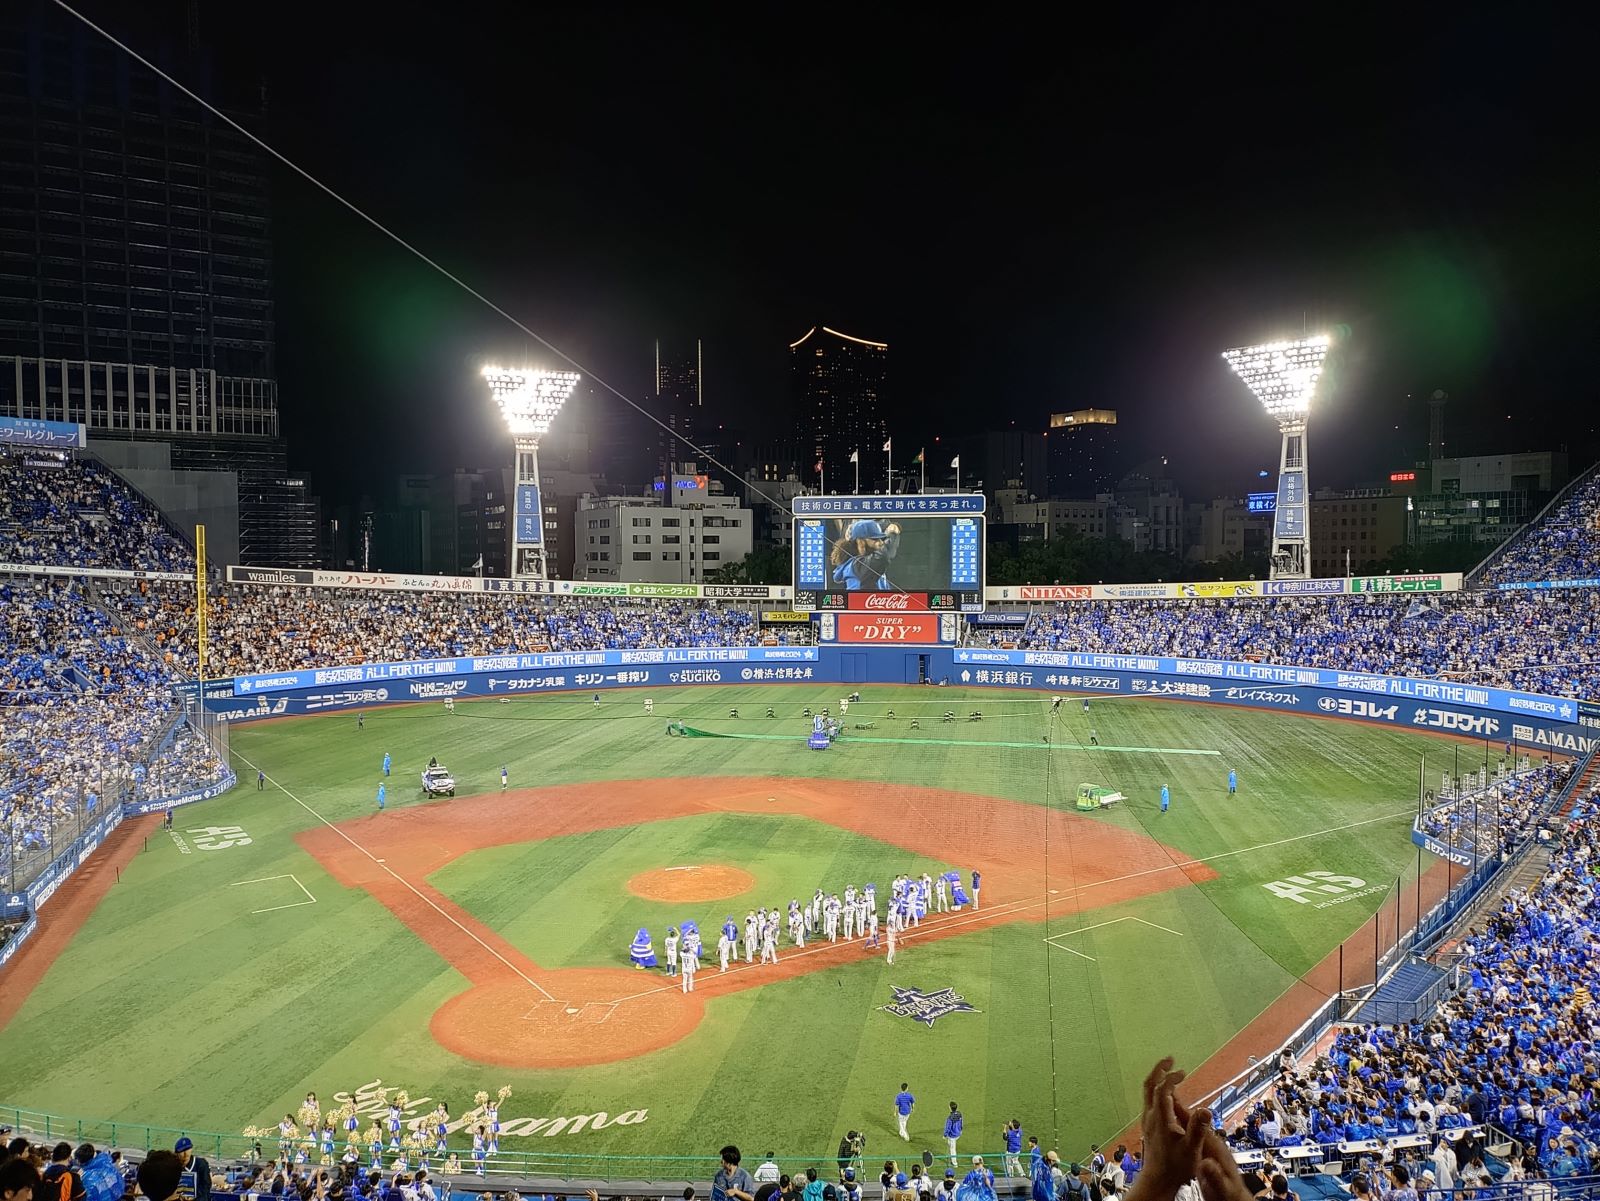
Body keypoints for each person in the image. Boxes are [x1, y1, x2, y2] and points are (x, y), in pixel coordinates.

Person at [831, 520, 902, 591]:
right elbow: (883, 556)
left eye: (881, 539)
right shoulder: (856, 565)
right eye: (875, 539)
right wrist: (893, 534)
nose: (881, 543)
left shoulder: (867, 563)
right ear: (860, 542)